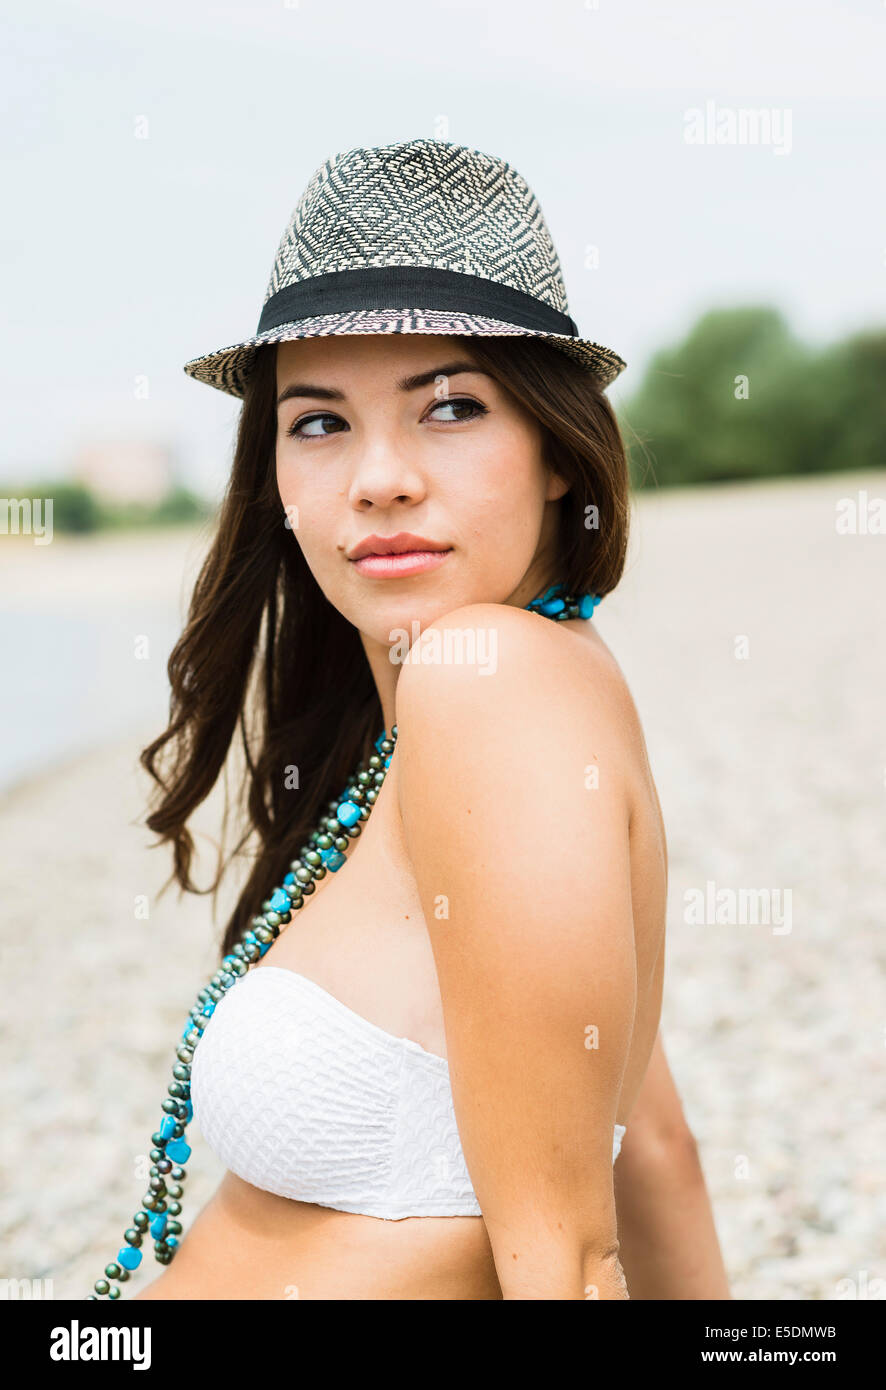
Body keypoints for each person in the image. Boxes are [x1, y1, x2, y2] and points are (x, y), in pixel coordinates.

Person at [90, 138, 729, 1301]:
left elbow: (569, 1255)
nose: (379, 477)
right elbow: (653, 1150)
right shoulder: (472, 706)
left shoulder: (487, 678)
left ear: (552, 447)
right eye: (320, 422)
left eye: (448, 406)